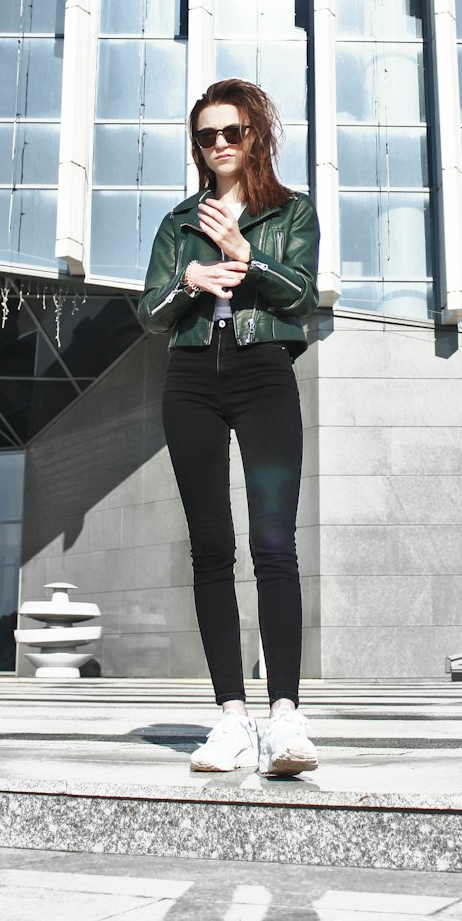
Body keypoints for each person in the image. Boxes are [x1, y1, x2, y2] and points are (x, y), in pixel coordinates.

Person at [138, 78, 320, 776]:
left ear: (255, 137)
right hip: (191, 382)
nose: (218, 145)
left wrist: (245, 252)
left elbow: (302, 294)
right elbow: (149, 315)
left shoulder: (290, 212)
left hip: (263, 372)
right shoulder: (180, 221)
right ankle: (231, 718)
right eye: (206, 136)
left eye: (231, 132)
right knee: (210, 547)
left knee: (274, 544)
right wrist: (189, 282)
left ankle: (285, 717)